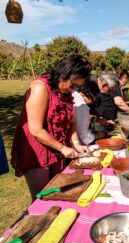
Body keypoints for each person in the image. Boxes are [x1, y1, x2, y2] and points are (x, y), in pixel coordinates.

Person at [11, 55, 91, 200]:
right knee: (41, 198)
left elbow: (71, 122)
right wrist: (62, 148)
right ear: (63, 75)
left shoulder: (65, 91)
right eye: (73, 85)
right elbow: (35, 130)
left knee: (58, 193)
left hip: (57, 147)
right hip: (37, 149)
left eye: (77, 87)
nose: (74, 90)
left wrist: (77, 144)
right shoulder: (39, 88)